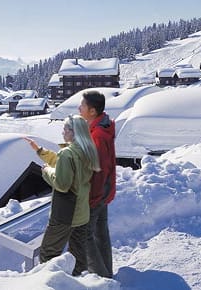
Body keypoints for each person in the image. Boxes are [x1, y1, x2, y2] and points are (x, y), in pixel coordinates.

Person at [24, 115, 100, 276]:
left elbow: (62, 183)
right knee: (78, 253)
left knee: (48, 253)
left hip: (66, 214)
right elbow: (62, 163)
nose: (63, 131)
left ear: (74, 132)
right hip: (81, 212)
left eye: (65, 129)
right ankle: (78, 282)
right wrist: (39, 150)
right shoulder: (87, 150)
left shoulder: (68, 153)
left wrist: (46, 171)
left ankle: (48, 283)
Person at [78, 90, 116, 278]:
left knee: (83, 235)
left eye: (82, 105)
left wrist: (93, 197)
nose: (79, 108)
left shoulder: (98, 134)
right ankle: (106, 275)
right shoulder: (100, 128)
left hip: (97, 191)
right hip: (104, 190)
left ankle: (100, 278)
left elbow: (99, 167)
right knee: (100, 233)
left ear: (92, 111)